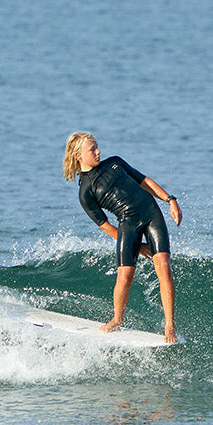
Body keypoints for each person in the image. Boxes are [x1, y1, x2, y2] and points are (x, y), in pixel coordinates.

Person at [63, 131, 182, 343]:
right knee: (124, 276)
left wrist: (169, 199)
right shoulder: (85, 192)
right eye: (92, 149)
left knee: (163, 265)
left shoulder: (115, 163)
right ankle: (117, 319)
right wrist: (138, 247)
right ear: (78, 155)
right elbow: (105, 226)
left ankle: (169, 325)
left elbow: (144, 181)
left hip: (151, 213)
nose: (98, 151)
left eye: (97, 147)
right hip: (128, 223)